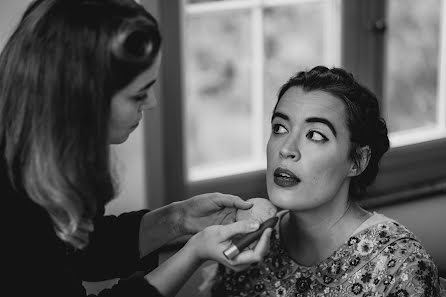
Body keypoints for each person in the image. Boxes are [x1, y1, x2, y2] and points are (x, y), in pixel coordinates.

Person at [0, 0, 273, 296]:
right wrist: (194, 252)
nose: (152, 102)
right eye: (138, 94)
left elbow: (77, 251)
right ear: (84, 99)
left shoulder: (46, 155)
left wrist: (178, 219)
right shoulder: (12, 203)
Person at [210, 66, 445, 296]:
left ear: (358, 161)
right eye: (280, 128)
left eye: (315, 135)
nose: (286, 149)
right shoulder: (248, 245)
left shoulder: (399, 265)